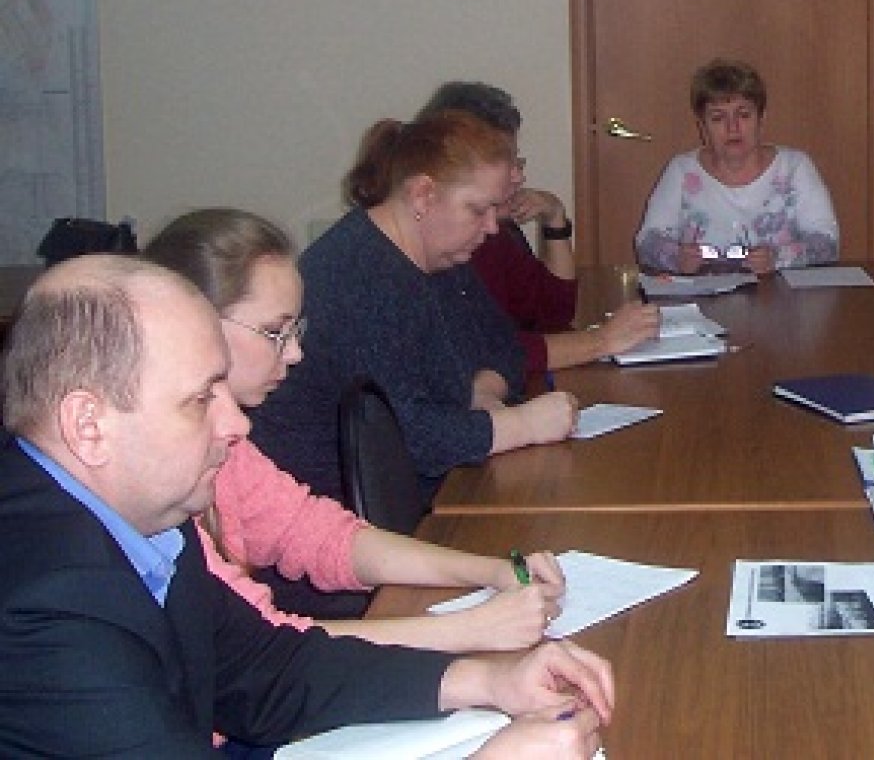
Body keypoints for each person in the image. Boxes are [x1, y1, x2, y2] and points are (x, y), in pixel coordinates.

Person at [0, 254, 610, 756]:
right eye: (200, 400)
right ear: (89, 425)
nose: (236, 423)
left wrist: (488, 680)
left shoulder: (148, 516)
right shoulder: (42, 606)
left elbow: (265, 671)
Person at [146, 207, 567, 651]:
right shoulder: (160, 484)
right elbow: (259, 651)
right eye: (274, 332)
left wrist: (491, 570)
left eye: (295, 330)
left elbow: (320, 534)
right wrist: (468, 630)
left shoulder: (230, 451)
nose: (295, 354)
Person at [250, 112, 576, 562]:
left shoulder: (439, 257)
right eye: (477, 210)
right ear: (423, 194)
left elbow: (505, 345)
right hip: (345, 544)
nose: (491, 227)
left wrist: (484, 390)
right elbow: (410, 441)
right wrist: (522, 425)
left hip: (418, 508)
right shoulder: (357, 277)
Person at [420, 82, 659, 377]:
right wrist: (600, 341)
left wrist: (555, 218)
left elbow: (553, 314)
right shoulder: (438, 247)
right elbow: (484, 353)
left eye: (516, 161)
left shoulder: (492, 235)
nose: (518, 177)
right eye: (505, 163)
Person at [635, 58, 838, 275]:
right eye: (718, 118)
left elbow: (827, 243)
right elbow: (647, 241)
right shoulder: (681, 171)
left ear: (761, 120)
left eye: (743, 115)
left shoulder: (795, 168)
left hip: (781, 293)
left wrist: (778, 258)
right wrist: (677, 258)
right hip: (701, 293)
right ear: (702, 127)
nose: (733, 127)